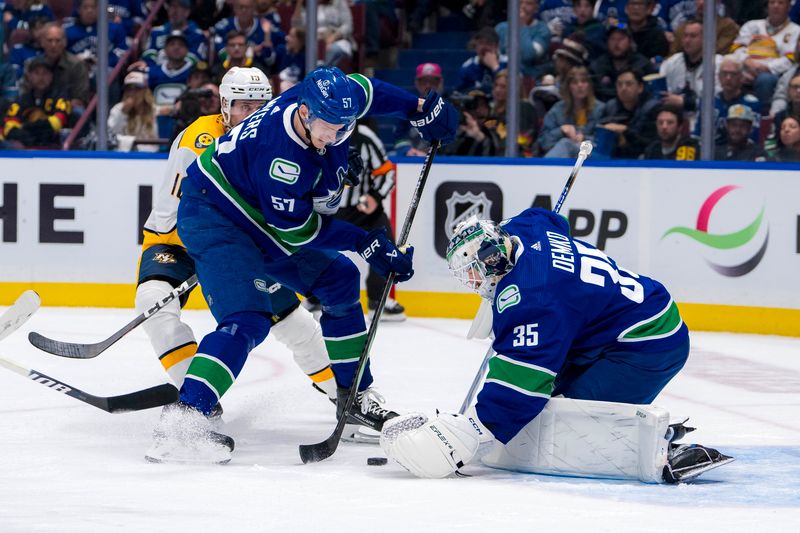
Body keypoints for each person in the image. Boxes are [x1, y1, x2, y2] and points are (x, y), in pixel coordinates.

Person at [146, 66, 458, 463]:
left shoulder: (330, 98)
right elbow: (297, 232)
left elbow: (368, 89)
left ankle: (353, 398)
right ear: (306, 113)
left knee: (341, 279)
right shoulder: (283, 157)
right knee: (249, 317)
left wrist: (418, 109)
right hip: (215, 213)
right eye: (329, 128)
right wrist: (363, 241)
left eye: (346, 127)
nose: (337, 137)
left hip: (256, 211)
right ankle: (183, 421)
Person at [380, 209, 734, 483]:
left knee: (563, 419)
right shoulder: (526, 231)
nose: (474, 282)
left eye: (475, 272)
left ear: (491, 259)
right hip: (616, 325)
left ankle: (659, 449)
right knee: (550, 401)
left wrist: (470, 431)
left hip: (646, 343)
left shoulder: (533, 296)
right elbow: (550, 218)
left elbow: (520, 386)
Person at [730, 0, 800, 113]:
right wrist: (747, 62)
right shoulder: (751, 25)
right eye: (772, 3)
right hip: (745, 67)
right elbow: (736, 48)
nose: (775, 6)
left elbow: (791, 59)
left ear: (789, 7)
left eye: (780, 3)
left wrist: (766, 68)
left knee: (765, 79)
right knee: (725, 68)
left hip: (773, 74)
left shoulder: (796, 31)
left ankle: (762, 116)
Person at [2, 55, 72, 148]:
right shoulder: (22, 99)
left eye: (45, 73)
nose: (41, 77)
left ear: (51, 76)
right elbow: (9, 125)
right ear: (29, 76)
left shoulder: (60, 96)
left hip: (54, 145)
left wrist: (27, 128)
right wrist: (21, 133)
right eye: (36, 73)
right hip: (26, 146)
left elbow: (59, 121)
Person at [540, 65, 605, 158]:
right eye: (575, 82)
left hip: (591, 159)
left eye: (584, 81)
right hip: (564, 160)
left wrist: (585, 138)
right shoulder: (557, 110)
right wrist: (561, 131)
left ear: (589, 85)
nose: (580, 85)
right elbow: (544, 143)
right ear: (568, 87)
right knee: (565, 143)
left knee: (566, 144)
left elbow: (604, 144)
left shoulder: (600, 109)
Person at [598, 68, 660, 158]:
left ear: (640, 87)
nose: (623, 88)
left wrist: (626, 131)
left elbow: (651, 143)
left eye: (628, 84)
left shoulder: (652, 108)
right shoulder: (610, 107)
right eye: (619, 84)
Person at [494, 0, 550, 79]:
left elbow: (527, 55)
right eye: (519, 3)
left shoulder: (542, 30)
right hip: (502, 76)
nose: (522, 7)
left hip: (530, 79)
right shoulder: (501, 28)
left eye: (528, 3)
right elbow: (494, 57)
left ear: (536, 8)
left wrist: (522, 24)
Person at [107, 71, 159, 152]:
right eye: (129, 89)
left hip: (150, 155)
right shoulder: (118, 109)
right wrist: (123, 113)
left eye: (137, 89)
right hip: (124, 154)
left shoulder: (155, 110)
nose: (132, 93)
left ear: (145, 91)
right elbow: (111, 134)